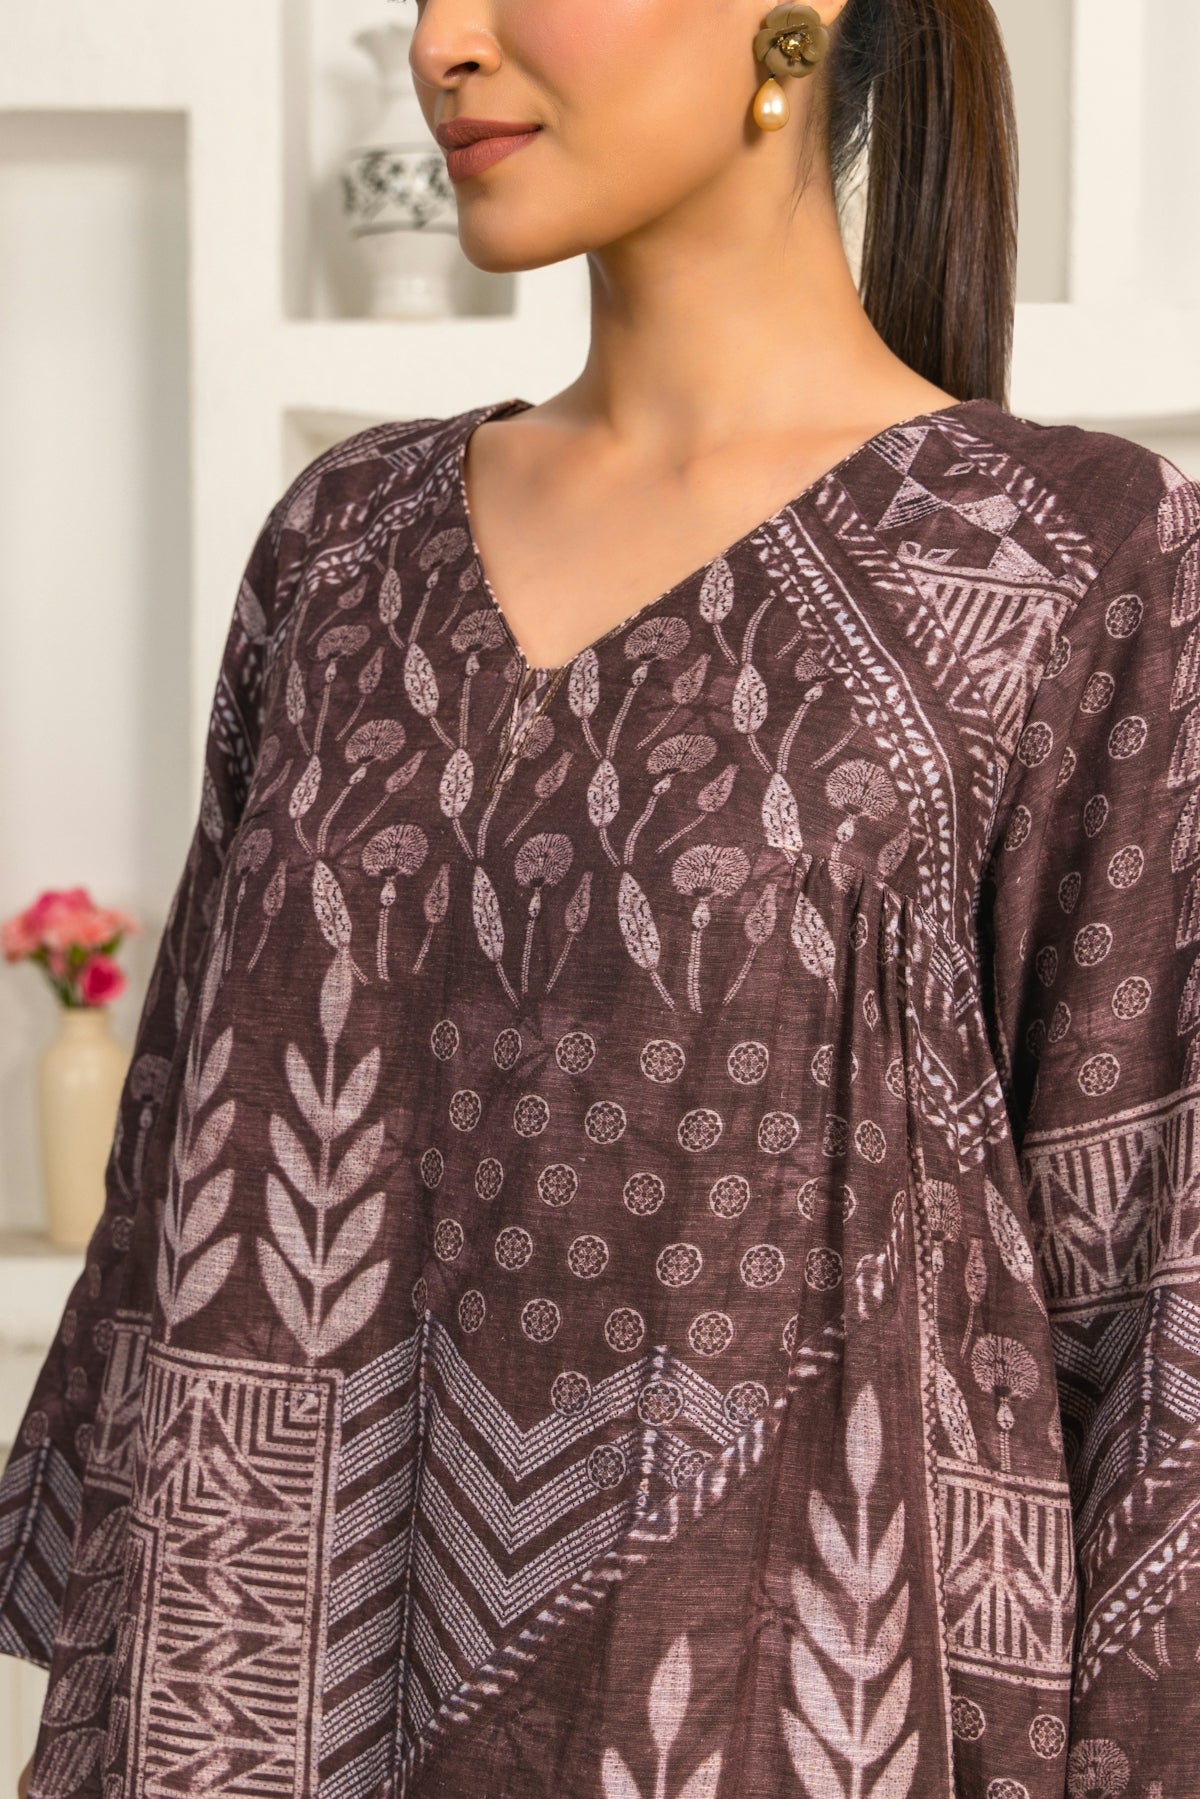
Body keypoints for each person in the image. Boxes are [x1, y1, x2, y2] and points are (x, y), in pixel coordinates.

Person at [5, 1, 1198, 1793]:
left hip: (798, 1709)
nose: (442, 41)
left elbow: (1160, 1284)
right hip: (258, 1710)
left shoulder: (1075, 565)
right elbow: (178, 1171)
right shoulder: (341, 548)